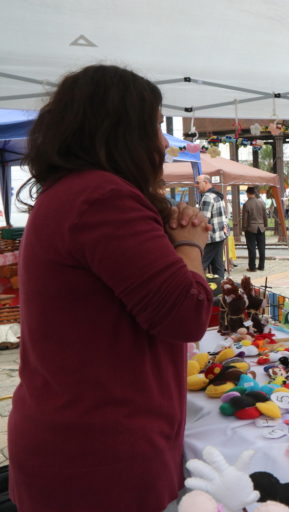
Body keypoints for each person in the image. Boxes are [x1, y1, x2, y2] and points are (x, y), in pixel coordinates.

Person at [9, 64, 213, 511]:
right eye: (156, 126)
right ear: (119, 129)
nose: (162, 142)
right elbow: (187, 312)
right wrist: (190, 245)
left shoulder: (70, 193)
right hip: (101, 458)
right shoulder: (103, 198)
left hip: (74, 440)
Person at [197, 174, 228, 279]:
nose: (196, 185)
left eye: (198, 183)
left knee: (199, 265)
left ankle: (197, 288)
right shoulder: (217, 195)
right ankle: (222, 288)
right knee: (218, 265)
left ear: (206, 182)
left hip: (211, 237)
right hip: (220, 235)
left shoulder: (207, 197)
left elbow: (203, 220)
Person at [242, 186, 267, 271]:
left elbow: (245, 218)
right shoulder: (261, 203)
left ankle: (252, 267)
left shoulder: (246, 204)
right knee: (262, 248)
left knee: (252, 248)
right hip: (261, 227)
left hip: (250, 228)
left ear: (248, 194)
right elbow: (265, 216)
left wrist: (244, 228)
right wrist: (265, 226)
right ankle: (261, 266)